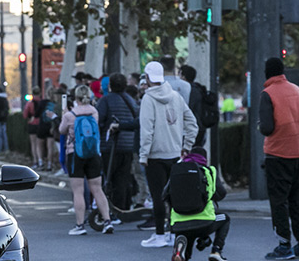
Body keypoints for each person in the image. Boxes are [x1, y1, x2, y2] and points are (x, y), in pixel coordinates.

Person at [138, 61, 198, 248]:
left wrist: (143, 155)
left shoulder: (148, 99)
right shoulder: (175, 96)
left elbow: (147, 130)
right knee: (173, 196)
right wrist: (186, 145)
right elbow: (192, 123)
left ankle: (159, 235)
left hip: (155, 155)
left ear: (147, 77)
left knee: (157, 197)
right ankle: (174, 233)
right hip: (175, 153)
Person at [259, 57, 299, 260]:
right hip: (297, 151)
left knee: (279, 201)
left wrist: (259, 125)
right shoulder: (297, 90)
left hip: (277, 153)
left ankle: (284, 245)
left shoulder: (268, 94)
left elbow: (267, 127)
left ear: (267, 72)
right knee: (296, 200)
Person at [59, 85, 113, 235]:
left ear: (75, 98)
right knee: (97, 188)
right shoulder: (94, 112)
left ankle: (80, 225)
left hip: (75, 154)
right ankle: (107, 221)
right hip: (94, 153)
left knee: (78, 191)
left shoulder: (70, 115)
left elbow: (62, 131)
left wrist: (64, 114)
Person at [165, 146, 230, 261]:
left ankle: (181, 251)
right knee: (225, 218)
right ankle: (216, 251)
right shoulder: (209, 171)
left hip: (179, 224)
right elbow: (221, 194)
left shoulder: (177, 171)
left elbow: (164, 195)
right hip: (205, 221)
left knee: (186, 253)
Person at [96, 73, 139, 215]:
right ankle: (123, 208)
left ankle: (109, 209)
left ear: (110, 86)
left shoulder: (105, 100)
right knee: (123, 177)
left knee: (109, 177)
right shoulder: (130, 100)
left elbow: (99, 121)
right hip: (128, 145)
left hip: (110, 145)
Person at [23, 88, 44, 169]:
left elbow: (25, 114)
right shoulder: (42, 102)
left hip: (32, 124)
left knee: (33, 143)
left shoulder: (29, 103)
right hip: (40, 124)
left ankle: (35, 161)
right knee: (41, 144)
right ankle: (41, 160)